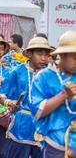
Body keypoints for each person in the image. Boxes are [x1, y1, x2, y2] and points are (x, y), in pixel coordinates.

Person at [0, 37, 53, 158]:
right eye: (39, 54)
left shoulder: (51, 75)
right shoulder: (16, 72)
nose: (43, 58)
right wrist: (10, 103)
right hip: (21, 126)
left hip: (43, 127)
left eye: (46, 55)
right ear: (29, 54)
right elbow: (0, 96)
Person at [30, 30, 76, 158]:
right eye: (75, 58)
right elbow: (38, 111)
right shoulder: (45, 76)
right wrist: (63, 95)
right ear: (62, 55)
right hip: (55, 143)